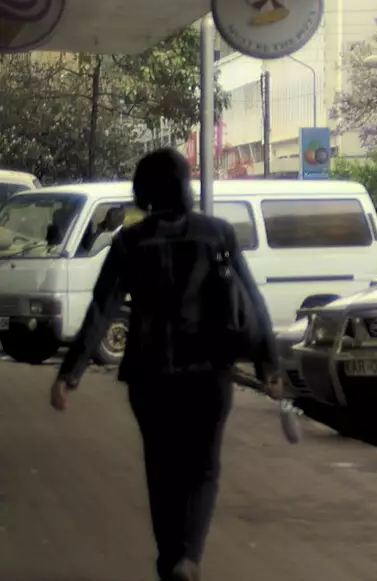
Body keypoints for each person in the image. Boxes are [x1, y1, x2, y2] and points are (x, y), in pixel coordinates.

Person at [49, 148, 279, 581]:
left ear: (143, 190)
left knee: (162, 471)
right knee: (203, 467)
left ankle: (168, 560)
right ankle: (188, 557)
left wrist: (70, 374)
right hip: (209, 373)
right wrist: (271, 367)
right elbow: (251, 301)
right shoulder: (218, 235)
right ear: (185, 184)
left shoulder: (129, 242)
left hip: (150, 375)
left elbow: (102, 308)